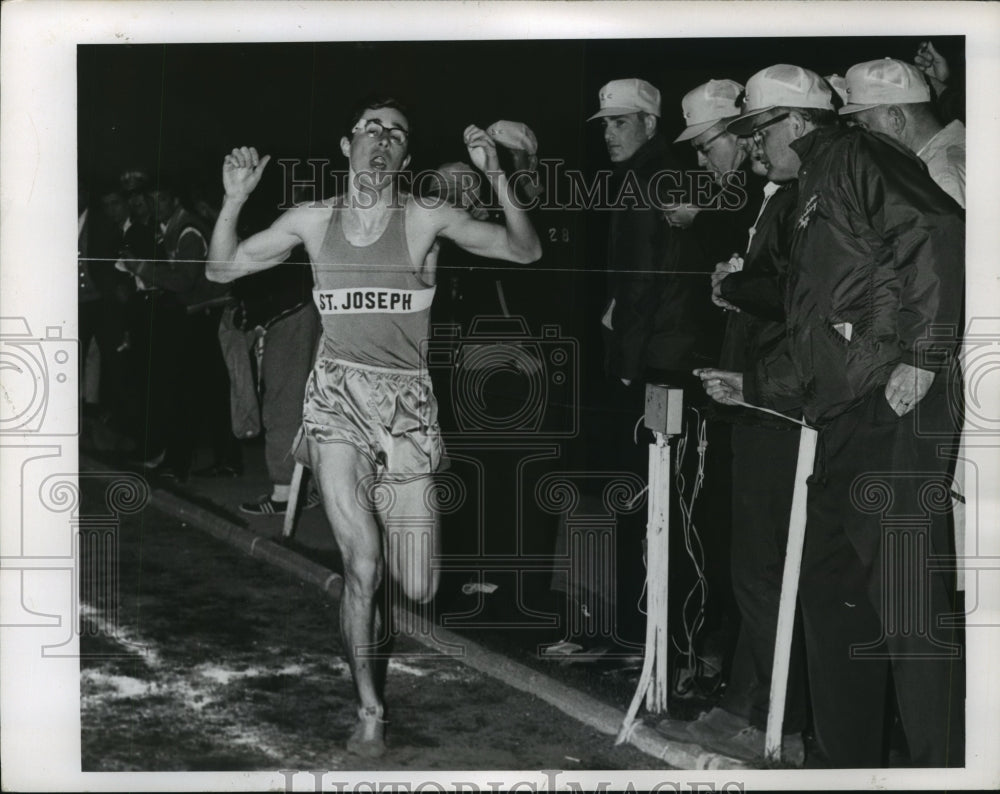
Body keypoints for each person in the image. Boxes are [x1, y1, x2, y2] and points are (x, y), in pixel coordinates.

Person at [205, 97, 541, 757]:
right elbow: (222, 268)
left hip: (408, 408)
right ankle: (369, 713)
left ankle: (382, 602)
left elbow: (525, 252)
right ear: (346, 144)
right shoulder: (312, 218)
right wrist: (233, 201)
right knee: (362, 566)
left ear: (405, 157)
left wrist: (498, 176)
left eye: (396, 134)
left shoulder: (425, 216)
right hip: (336, 402)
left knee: (416, 584)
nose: (382, 141)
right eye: (371, 130)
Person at [717, 64, 964, 768]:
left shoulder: (854, 157)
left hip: (894, 405)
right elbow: (819, 326)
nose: (757, 146)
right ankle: (845, 764)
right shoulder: (809, 194)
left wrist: (924, 355)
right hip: (848, 412)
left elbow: (939, 226)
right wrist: (757, 384)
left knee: (909, 605)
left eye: (762, 130)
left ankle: (944, 769)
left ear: (798, 122)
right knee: (829, 589)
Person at [656, 87, 808, 763]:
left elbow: (798, 296)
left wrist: (734, 285)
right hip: (756, 395)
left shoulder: (801, 196)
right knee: (756, 565)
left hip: (780, 401)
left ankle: (776, 718)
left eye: (756, 133)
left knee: (766, 567)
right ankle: (750, 703)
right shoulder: (778, 194)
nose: (746, 148)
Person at [839, 57, 965, 208]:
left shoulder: (940, 180)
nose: (863, 136)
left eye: (864, 125)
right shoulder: (956, 148)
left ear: (895, 118)